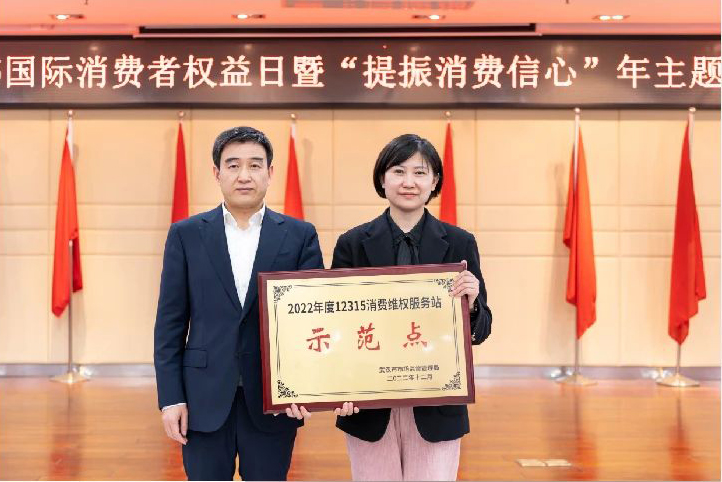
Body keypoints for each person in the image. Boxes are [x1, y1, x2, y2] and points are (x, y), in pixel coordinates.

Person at [154, 126, 323, 481]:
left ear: (270, 172)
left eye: (255, 165)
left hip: (274, 400)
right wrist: (171, 399)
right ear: (217, 173)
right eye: (233, 165)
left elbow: (312, 321)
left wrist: (308, 388)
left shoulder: (299, 235)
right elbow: (170, 323)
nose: (244, 175)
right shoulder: (186, 234)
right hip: (202, 398)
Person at [331, 133, 493, 481]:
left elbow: (482, 329)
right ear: (382, 179)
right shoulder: (352, 243)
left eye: (420, 173)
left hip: (437, 404)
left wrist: (472, 304)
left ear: (434, 182)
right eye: (398, 171)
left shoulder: (460, 242)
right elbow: (337, 327)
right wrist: (336, 386)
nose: (409, 182)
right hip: (368, 405)